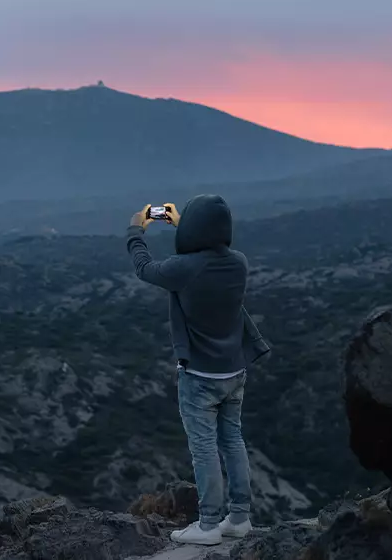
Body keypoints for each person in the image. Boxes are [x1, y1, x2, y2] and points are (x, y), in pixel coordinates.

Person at [125, 195, 271, 545]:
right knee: (233, 440)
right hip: (235, 372)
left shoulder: (183, 268)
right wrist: (185, 225)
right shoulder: (239, 263)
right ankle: (239, 518)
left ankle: (207, 526)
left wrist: (135, 229)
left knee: (203, 447)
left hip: (200, 378)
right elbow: (207, 248)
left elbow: (145, 268)